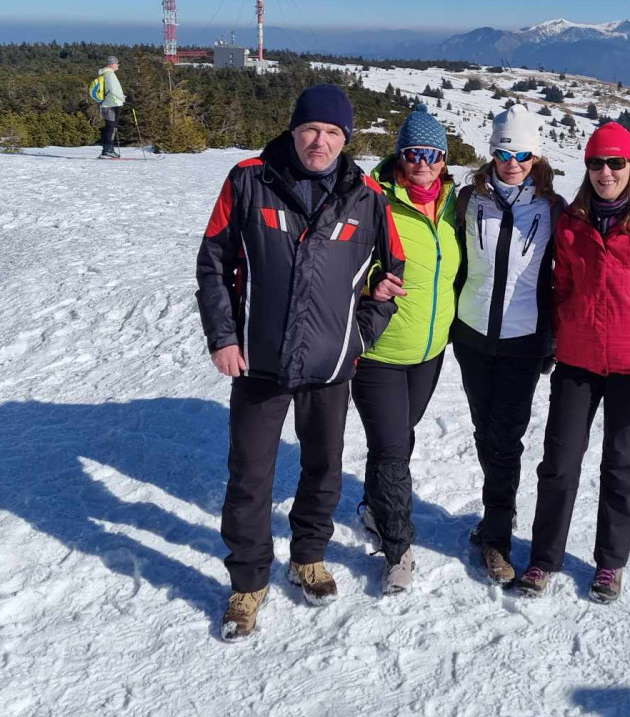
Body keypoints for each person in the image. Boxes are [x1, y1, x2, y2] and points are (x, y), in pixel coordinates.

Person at [196, 84, 405, 640]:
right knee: (250, 475)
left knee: (323, 468)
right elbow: (213, 262)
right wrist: (223, 337)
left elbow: (393, 275)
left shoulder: (367, 196)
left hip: (330, 368)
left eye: (333, 132)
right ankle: (248, 580)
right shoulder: (249, 180)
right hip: (258, 362)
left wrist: (356, 338)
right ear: (293, 129)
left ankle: (308, 555)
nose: (320, 141)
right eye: (311, 129)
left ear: (346, 138)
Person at [518, 122, 630, 603]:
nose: (606, 172)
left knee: (620, 466)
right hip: (577, 361)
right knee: (558, 464)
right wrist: (552, 337)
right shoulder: (572, 223)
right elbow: (562, 289)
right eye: (596, 163)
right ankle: (544, 558)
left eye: (616, 163)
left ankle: (610, 563)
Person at [450, 106, 565, 586]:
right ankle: (499, 508)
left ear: (535, 156)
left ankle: (496, 536)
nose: (512, 163)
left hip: (524, 341)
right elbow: (452, 261)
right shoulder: (467, 200)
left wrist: (553, 338)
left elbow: (563, 278)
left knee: (506, 440)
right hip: (472, 336)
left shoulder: (552, 209)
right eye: (503, 153)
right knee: (484, 431)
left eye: (521, 155)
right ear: (491, 153)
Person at [352, 104, 459, 593]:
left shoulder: (455, 205)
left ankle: (375, 505)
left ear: (444, 160)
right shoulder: (372, 199)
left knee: (397, 438)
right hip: (378, 350)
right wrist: (370, 286)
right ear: (399, 155)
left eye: (432, 154)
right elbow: (338, 261)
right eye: (413, 152)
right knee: (393, 449)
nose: (422, 163)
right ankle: (397, 548)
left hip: (429, 352)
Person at [95, 56, 125, 159]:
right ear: (112, 64)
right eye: (117, 63)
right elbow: (113, 89)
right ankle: (108, 150)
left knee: (110, 127)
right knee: (111, 127)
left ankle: (107, 150)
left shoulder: (106, 74)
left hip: (110, 104)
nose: (118, 65)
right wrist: (123, 98)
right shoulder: (109, 74)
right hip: (111, 104)